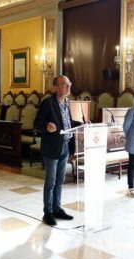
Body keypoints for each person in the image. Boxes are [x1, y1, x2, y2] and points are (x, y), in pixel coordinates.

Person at [34, 75, 82, 226]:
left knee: (60, 181)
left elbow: (67, 123)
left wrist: (81, 123)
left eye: (69, 84)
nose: (68, 87)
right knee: (51, 181)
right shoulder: (48, 103)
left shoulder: (67, 103)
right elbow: (36, 123)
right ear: (56, 87)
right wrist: (46, 127)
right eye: (65, 84)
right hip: (52, 147)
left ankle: (57, 208)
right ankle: (47, 212)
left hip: (65, 146)